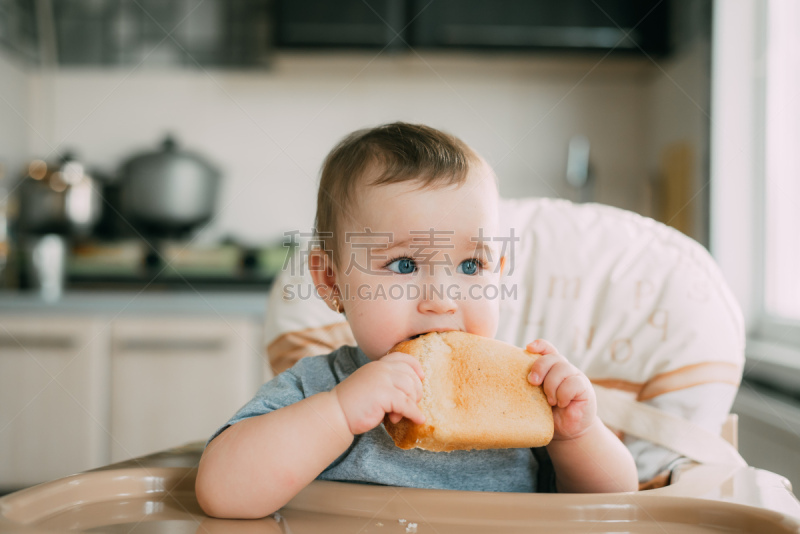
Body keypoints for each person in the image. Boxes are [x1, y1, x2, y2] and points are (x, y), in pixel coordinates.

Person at [195, 122, 639, 519]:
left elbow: (613, 509)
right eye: (404, 265)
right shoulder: (318, 388)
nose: (441, 300)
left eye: (470, 266)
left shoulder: (524, 395)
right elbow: (222, 493)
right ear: (331, 280)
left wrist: (575, 436)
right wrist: (339, 413)